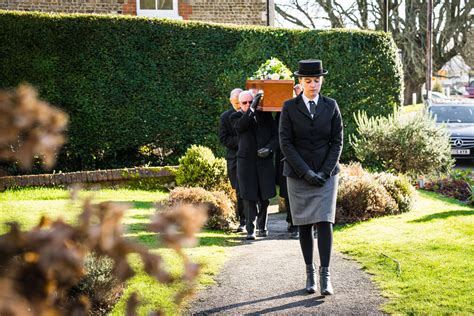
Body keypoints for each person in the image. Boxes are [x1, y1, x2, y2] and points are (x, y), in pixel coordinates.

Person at [279, 60, 343, 295]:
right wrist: (305, 172)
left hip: (327, 175)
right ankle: (310, 275)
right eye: (308, 81)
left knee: (325, 222)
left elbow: (337, 141)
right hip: (298, 175)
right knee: (304, 224)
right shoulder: (289, 107)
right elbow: (285, 143)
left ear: (321, 81)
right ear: (300, 82)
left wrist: (325, 172)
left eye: (317, 80)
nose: (313, 85)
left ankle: (325, 275)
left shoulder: (331, 106)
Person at [231, 90, 278, 240]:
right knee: (248, 196)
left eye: (251, 102)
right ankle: (250, 230)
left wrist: (270, 148)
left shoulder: (265, 115)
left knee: (265, 197)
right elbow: (241, 127)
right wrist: (251, 109)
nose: (248, 105)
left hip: (264, 161)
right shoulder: (235, 117)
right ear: (240, 104)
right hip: (246, 163)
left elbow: (275, 135)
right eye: (244, 103)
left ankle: (262, 226)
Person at [219, 88, 246, 232]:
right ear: (231, 102)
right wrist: (243, 141)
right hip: (234, 158)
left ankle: (254, 222)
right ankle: (243, 221)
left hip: (249, 158)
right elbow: (224, 139)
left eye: (239, 103)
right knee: (239, 190)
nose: (238, 106)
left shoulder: (249, 113)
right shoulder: (225, 117)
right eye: (235, 103)